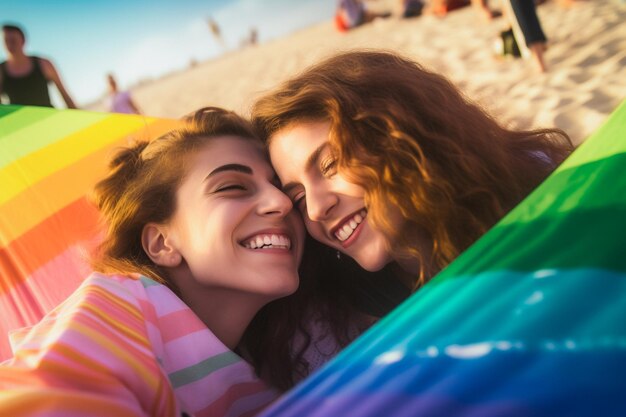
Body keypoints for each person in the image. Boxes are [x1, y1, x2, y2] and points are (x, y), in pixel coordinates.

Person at [0, 107, 306, 416]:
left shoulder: (280, 350)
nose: (281, 203)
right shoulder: (114, 305)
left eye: (282, 186)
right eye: (233, 187)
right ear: (162, 243)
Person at [252, 50, 573, 291]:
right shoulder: (355, 321)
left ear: (401, 135)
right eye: (298, 197)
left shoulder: (553, 199)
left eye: (331, 164)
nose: (317, 208)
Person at [0, 23, 76, 108]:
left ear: (23, 41)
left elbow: (65, 95)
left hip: (49, 118)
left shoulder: (44, 64)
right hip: (22, 121)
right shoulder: (1, 71)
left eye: (13, 41)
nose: (10, 45)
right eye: (6, 41)